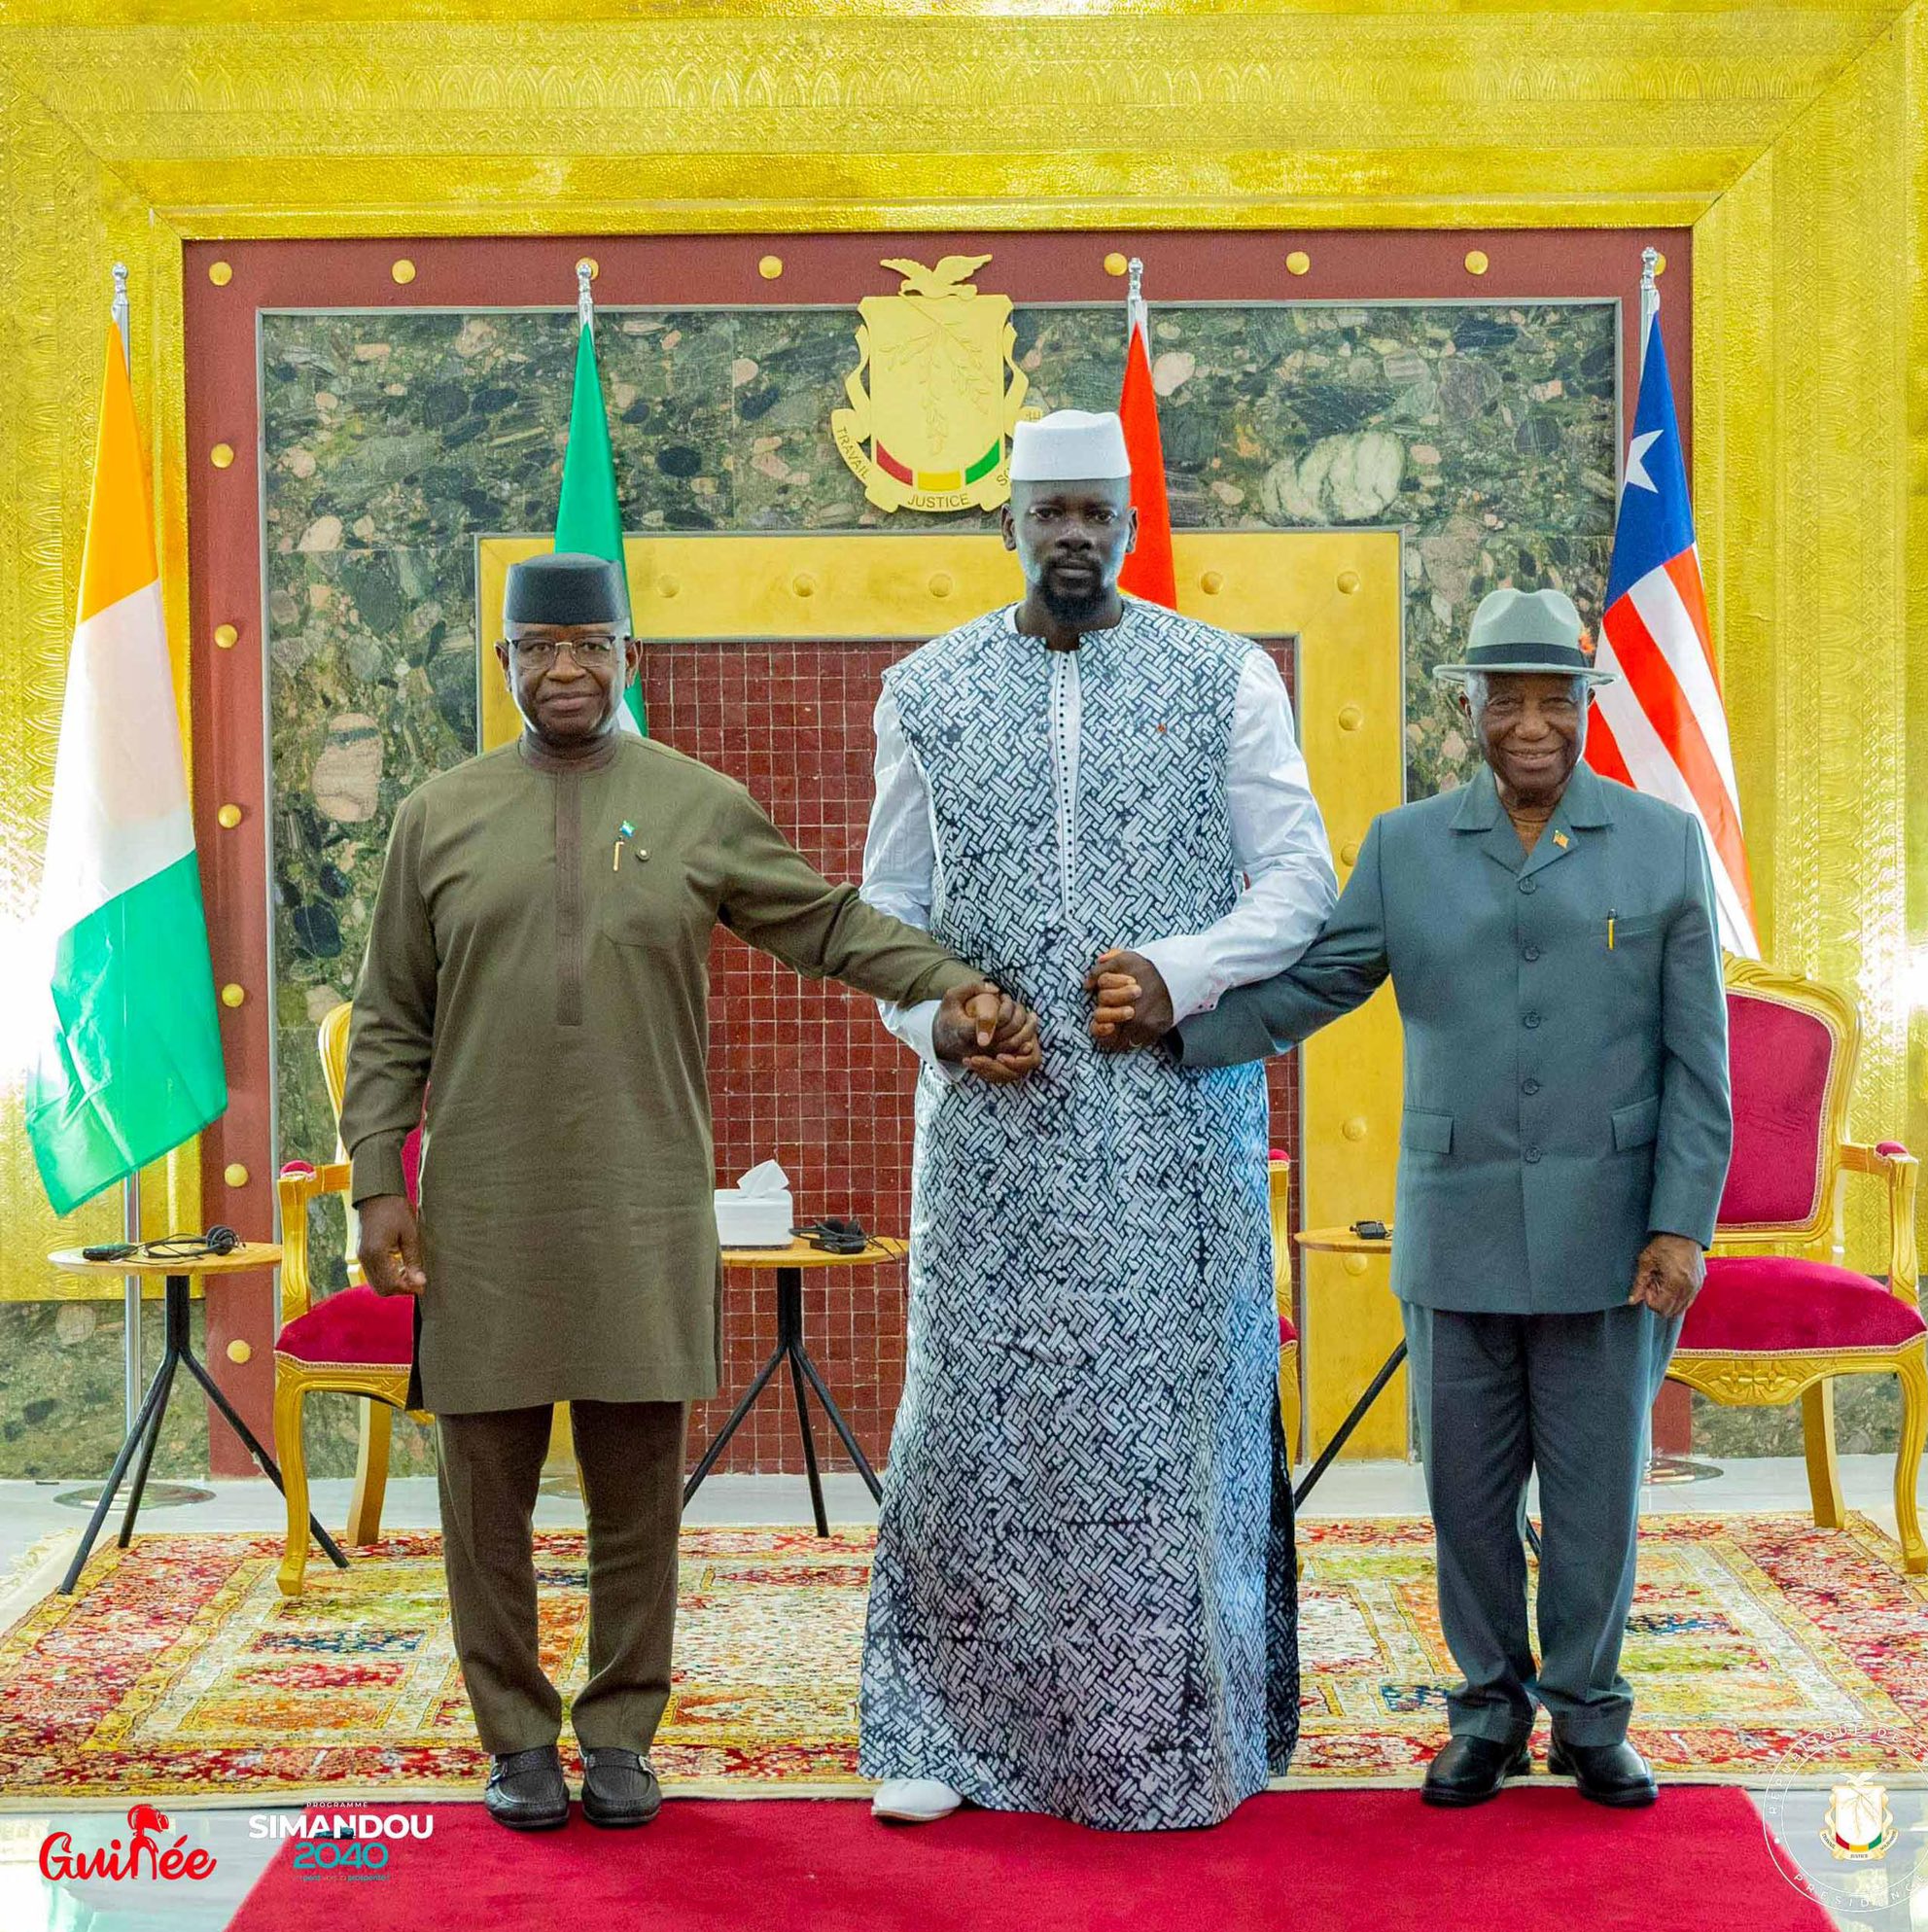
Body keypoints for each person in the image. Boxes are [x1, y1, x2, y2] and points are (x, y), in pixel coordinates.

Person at [340, 552, 1037, 1834]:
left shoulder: (695, 803)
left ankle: (618, 1733)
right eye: (538, 648)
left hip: (642, 1200)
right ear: (504, 663)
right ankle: (515, 1739)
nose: (564, 668)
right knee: (484, 1494)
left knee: (635, 1493)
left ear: (627, 655)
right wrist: (377, 1179)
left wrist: (946, 982)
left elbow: (824, 923)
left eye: (588, 645)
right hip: (480, 1208)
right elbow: (389, 1018)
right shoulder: (436, 817)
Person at [1172, 586, 1733, 1809]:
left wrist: (1679, 1222)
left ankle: (1588, 1716)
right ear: (1466, 707)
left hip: (1609, 1239)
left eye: (1553, 701)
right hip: (1456, 1226)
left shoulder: (1659, 841)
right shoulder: (1404, 846)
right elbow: (1317, 983)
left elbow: (1698, 1059)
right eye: (1504, 700)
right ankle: (1485, 1711)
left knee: (1593, 1502)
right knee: (1464, 1499)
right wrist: (1177, 1026)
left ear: (1583, 705)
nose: (1530, 724)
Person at [857, 409, 1338, 1831]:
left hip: (1170, 1131)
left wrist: (1183, 970)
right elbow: (887, 907)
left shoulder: (1224, 676)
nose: (1072, 535)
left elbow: (1299, 881)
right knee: (974, 1422)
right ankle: (943, 1732)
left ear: (1128, 525)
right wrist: (938, 1015)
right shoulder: (926, 691)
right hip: (994, 1141)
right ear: (1008, 523)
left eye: (1094, 513)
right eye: (1048, 511)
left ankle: (1185, 1737)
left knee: (1172, 1419)